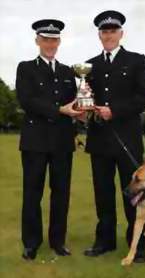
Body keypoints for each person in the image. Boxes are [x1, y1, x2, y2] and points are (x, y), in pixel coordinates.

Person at [83, 10, 145, 263]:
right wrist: (83, 109)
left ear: (120, 33)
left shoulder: (136, 60)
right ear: (99, 35)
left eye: (113, 31)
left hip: (128, 140)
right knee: (102, 194)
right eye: (104, 31)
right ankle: (104, 241)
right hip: (99, 139)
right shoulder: (89, 65)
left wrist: (115, 110)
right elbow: (84, 99)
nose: (109, 35)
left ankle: (138, 244)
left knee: (133, 195)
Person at [16, 19, 83, 260]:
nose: (50, 44)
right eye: (46, 39)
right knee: (32, 193)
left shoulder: (68, 72)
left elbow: (74, 102)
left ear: (59, 41)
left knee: (61, 193)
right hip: (35, 141)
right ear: (37, 41)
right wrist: (60, 110)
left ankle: (58, 241)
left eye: (54, 40)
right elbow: (27, 100)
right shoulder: (25, 68)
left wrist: (81, 109)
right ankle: (31, 243)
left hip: (62, 142)